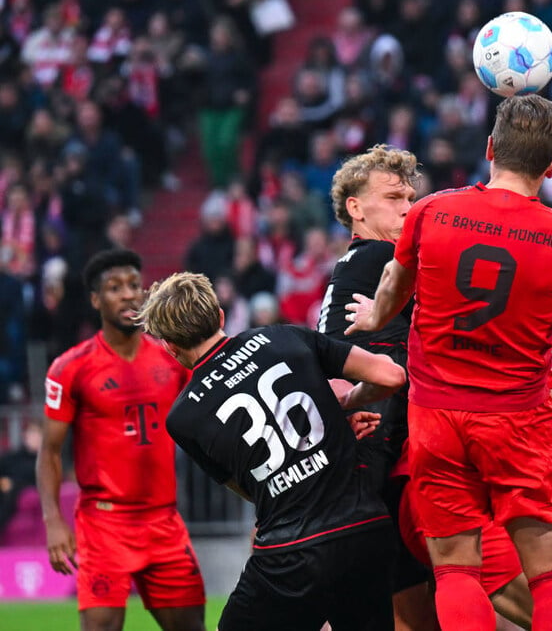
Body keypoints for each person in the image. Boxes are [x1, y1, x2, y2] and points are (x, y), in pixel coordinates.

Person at [345, 93, 552, 630]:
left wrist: (374, 317)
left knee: (457, 571)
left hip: (436, 416)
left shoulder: (434, 211)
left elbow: (394, 282)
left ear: (489, 148)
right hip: (517, 418)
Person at [136, 271, 406, 631]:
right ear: (219, 315)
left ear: (169, 346)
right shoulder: (284, 336)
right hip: (365, 526)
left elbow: (249, 488)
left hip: (292, 551)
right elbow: (391, 377)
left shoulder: (184, 417)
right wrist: (339, 411)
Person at [36, 249, 206, 631]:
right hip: (104, 524)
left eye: (134, 285)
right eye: (115, 288)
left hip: (164, 520)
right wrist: (53, 521)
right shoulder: (71, 368)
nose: (129, 294)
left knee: (192, 627)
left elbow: (208, 421)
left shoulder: (172, 357)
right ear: (96, 300)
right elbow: (48, 452)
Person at [317, 143, 436, 631]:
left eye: (410, 196)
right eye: (393, 197)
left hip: (374, 445)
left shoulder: (353, 266)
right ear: (355, 207)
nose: (408, 207)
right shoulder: (384, 259)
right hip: (377, 446)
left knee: (408, 609)